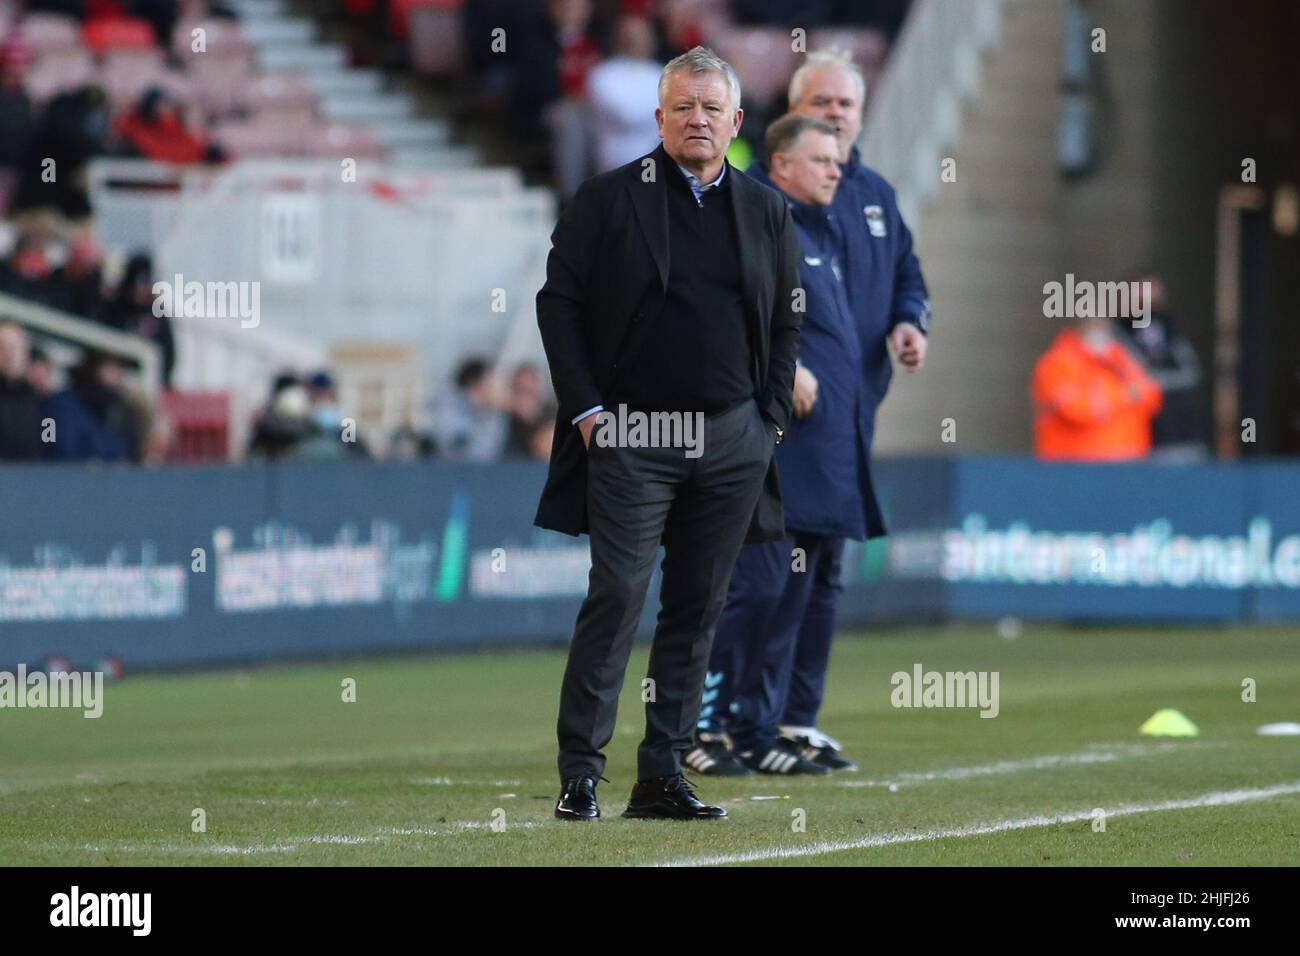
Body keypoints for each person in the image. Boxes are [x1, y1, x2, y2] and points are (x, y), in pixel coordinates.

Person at [535, 46, 802, 821]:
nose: (697, 120)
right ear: (658, 118)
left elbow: (788, 318)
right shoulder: (606, 199)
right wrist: (588, 412)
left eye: (711, 109)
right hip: (634, 435)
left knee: (697, 606)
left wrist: (770, 424)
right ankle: (581, 771)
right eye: (682, 108)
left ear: (736, 121)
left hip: (731, 438)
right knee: (617, 593)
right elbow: (558, 306)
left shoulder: (764, 208)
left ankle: (661, 776)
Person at [693, 49, 931, 774]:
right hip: (767, 434)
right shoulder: (756, 210)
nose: (834, 122)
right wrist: (777, 367)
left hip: (843, 426)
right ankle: (702, 728)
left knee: (812, 581)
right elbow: (715, 308)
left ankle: (778, 724)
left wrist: (909, 318)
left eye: (845, 108)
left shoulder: (860, 203)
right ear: (791, 122)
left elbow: (905, 278)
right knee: (755, 582)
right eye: (820, 106)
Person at [1033, 314, 1163, 460]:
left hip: (1129, 461)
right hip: (1073, 466)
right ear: (1079, 327)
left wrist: (1110, 398)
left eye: (1102, 323)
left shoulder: (1122, 358)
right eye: (1092, 323)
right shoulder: (1057, 362)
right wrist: (1125, 395)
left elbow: (1152, 397)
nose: (1099, 328)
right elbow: (1077, 409)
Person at [1112, 274, 1207, 460]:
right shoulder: (1117, 333)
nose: (1147, 299)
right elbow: (1130, 378)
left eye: (1153, 292)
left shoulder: (1173, 327)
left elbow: (1191, 371)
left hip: (1185, 424)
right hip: (1144, 432)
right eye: (1140, 293)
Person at [587, 14, 662, 172]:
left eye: (642, 35)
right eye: (630, 35)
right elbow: (627, 117)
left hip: (658, 167)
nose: (636, 41)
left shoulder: (662, 73)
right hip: (616, 166)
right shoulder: (603, 74)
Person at [0, 321, 45, 461]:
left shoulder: (38, 399)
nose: (12, 357)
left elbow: (48, 441)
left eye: (18, 349)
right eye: (6, 348)